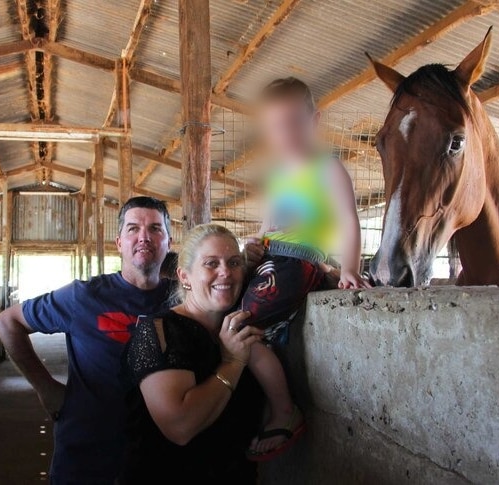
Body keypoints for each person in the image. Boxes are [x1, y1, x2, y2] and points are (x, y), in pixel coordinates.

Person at [0, 196, 173, 485]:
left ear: (168, 241)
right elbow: (7, 322)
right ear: (118, 243)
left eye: (155, 229)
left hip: (161, 454)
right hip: (87, 455)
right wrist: (45, 387)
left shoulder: (184, 299)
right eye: (133, 229)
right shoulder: (84, 296)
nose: (144, 237)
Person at [242, 77, 371, 460]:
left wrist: (348, 267)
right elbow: (268, 228)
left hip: (300, 260)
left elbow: (349, 221)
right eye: (277, 126)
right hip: (273, 258)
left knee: (241, 328)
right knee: (231, 318)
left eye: (294, 122)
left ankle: (285, 409)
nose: (287, 133)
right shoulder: (278, 177)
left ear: (313, 122)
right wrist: (253, 248)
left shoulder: (328, 170)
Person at [120, 224, 265, 485]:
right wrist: (232, 362)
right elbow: (179, 427)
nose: (225, 272)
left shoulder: (239, 330)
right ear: (185, 277)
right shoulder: (159, 331)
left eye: (234, 263)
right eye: (211, 263)